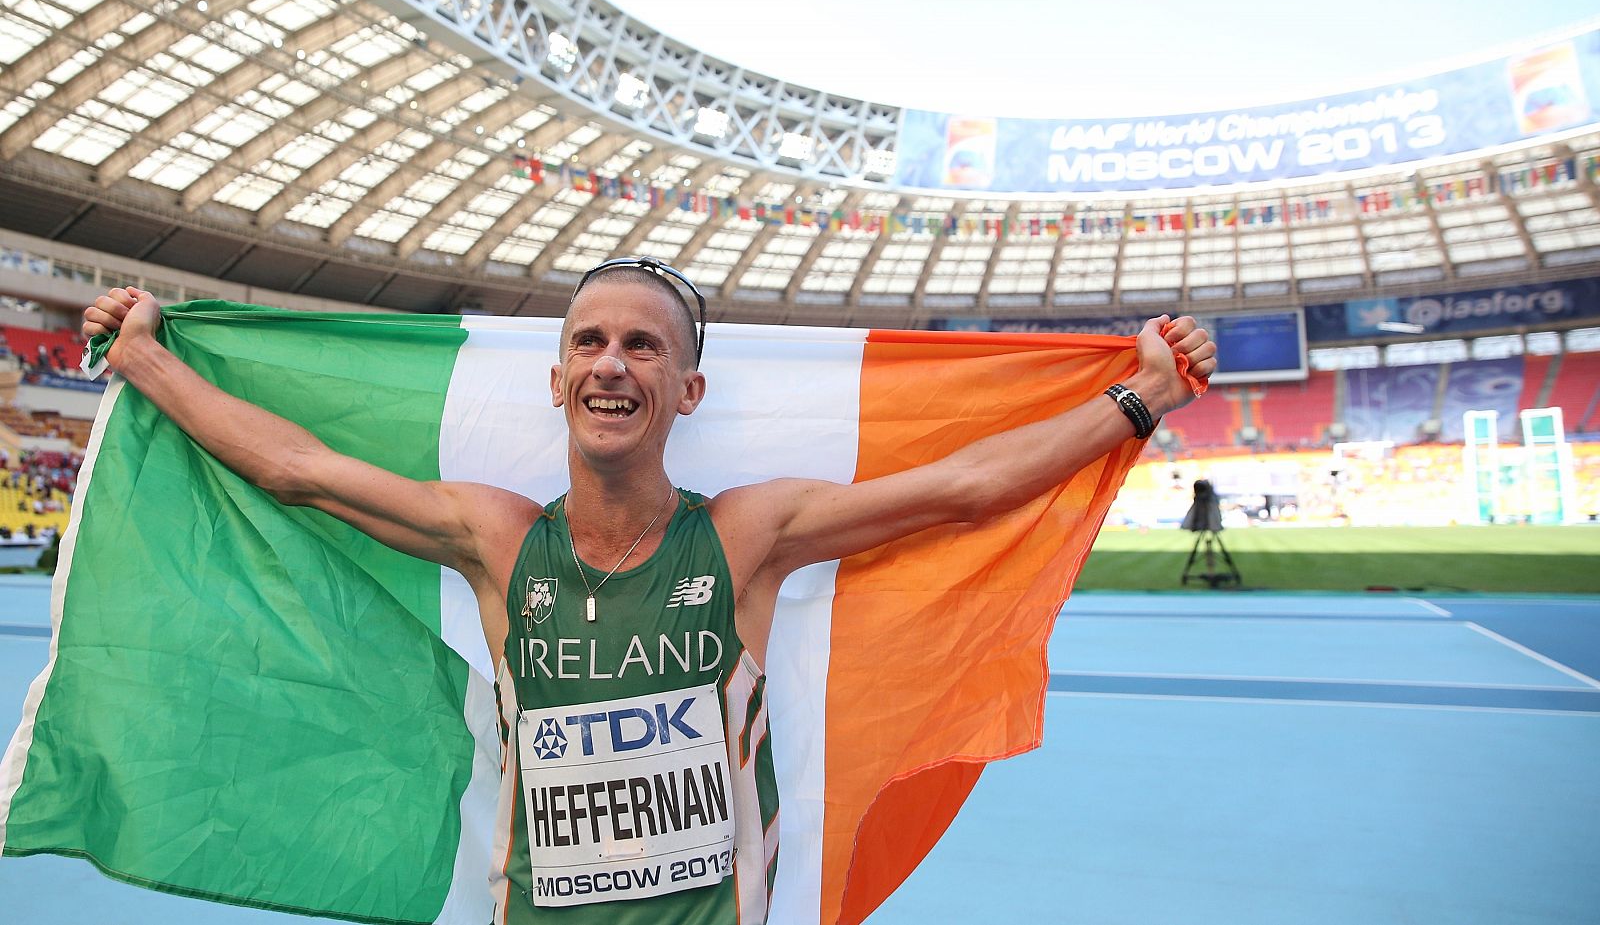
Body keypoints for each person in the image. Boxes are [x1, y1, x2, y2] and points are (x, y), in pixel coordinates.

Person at [82, 262, 1216, 924]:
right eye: (589, 342)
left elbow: (965, 486)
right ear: (559, 377)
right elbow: (297, 471)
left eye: (641, 345)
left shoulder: (747, 534)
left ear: (686, 386)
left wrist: (1139, 398)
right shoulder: (493, 537)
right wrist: (143, 358)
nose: (611, 362)